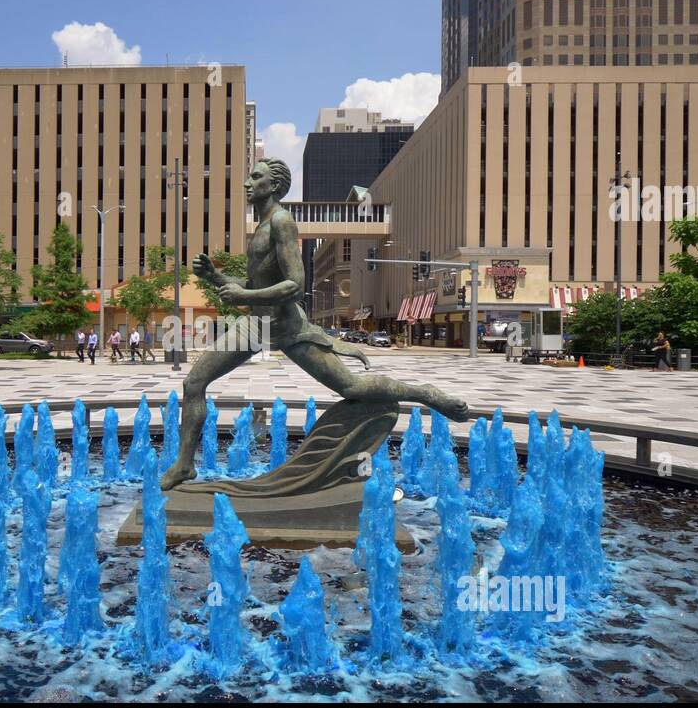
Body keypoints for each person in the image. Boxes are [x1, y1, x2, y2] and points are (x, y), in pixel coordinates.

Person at [159, 156, 469, 490]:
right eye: (248, 178)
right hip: (256, 326)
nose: (247, 183)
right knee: (194, 383)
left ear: (274, 185)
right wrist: (217, 277)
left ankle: (424, 393)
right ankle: (184, 465)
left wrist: (242, 296)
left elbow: (294, 285)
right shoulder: (260, 228)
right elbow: (254, 286)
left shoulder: (281, 222)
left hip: (288, 327)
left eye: (255, 177)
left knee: (351, 388)